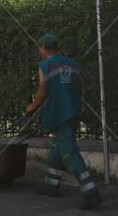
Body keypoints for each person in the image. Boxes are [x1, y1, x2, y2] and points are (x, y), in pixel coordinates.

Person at [26, 33, 101, 210]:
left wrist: (32, 107)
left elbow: (43, 90)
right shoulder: (72, 64)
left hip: (59, 114)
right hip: (73, 111)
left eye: (39, 48)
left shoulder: (45, 65)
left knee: (70, 154)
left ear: (43, 49)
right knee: (56, 149)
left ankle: (91, 193)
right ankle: (51, 186)